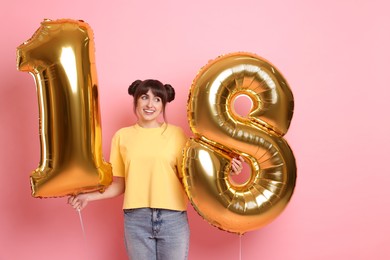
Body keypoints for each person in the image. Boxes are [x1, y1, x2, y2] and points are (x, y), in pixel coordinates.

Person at [68, 79, 244, 260]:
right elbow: (119, 185)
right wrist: (88, 196)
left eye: (157, 99)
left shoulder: (177, 135)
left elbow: (193, 177)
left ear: (163, 104)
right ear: (135, 100)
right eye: (144, 97)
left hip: (173, 219)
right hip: (136, 220)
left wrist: (225, 171)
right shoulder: (122, 137)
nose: (150, 104)